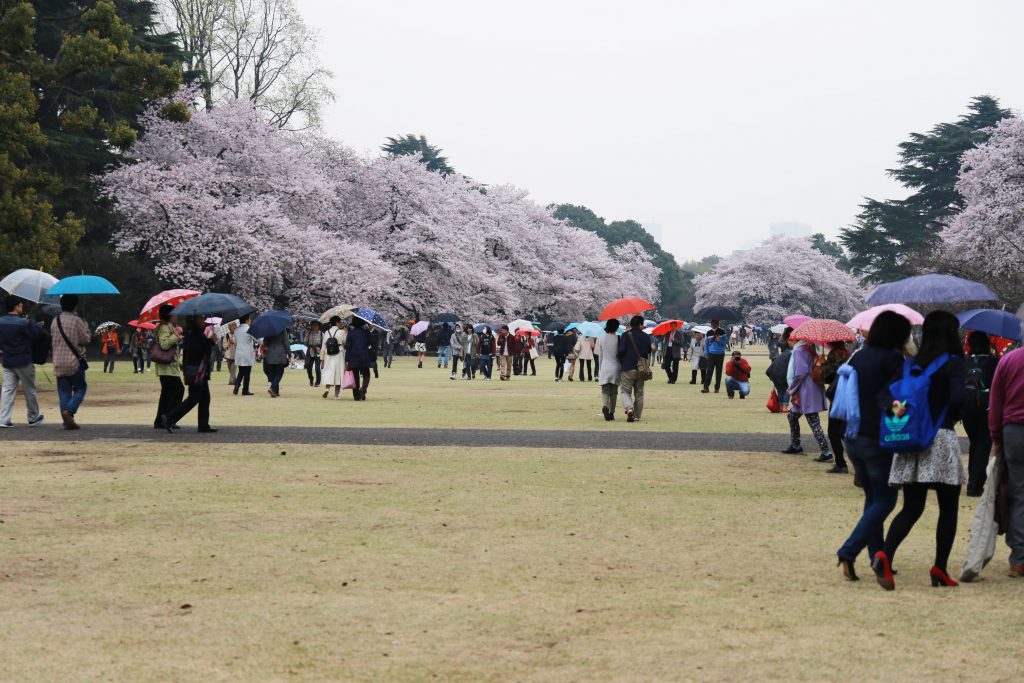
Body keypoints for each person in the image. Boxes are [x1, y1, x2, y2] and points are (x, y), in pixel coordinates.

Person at [872, 311, 967, 590]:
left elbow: (883, 396)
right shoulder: (952, 363)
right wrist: (952, 413)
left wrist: (899, 408)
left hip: (911, 439)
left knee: (912, 507)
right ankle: (940, 568)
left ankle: (884, 554)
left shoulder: (910, 364)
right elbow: (958, 397)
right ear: (951, 333)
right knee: (948, 508)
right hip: (940, 438)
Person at [835, 311, 911, 581]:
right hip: (879, 438)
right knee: (886, 500)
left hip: (853, 437)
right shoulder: (894, 360)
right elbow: (896, 400)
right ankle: (849, 549)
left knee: (873, 499)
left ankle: (877, 557)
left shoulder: (858, 356)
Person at [989, 345, 1024, 577]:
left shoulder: (1008, 360)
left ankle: (1019, 558)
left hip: (1014, 431)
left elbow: (996, 403)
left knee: (1018, 492)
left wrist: (996, 438)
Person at [160, 315, 217, 433]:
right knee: (194, 398)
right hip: (197, 370)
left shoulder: (192, 332)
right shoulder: (195, 333)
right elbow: (200, 350)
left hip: (196, 370)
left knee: (205, 397)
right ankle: (169, 418)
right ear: (195, 319)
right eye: (201, 317)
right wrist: (211, 341)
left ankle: (203, 425)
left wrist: (209, 341)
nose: (203, 319)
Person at [784, 334, 833, 462]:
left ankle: (826, 451)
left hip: (805, 389)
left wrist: (792, 388)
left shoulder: (799, 350)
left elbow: (800, 373)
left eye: (788, 339)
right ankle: (795, 445)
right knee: (792, 416)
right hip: (812, 387)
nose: (788, 342)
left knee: (813, 421)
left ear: (794, 339)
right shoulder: (810, 347)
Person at [962, 331, 998, 496]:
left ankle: (972, 480)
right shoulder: (993, 362)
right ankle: (975, 486)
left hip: (967, 408)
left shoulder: (966, 362)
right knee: (983, 446)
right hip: (986, 408)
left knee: (974, 444)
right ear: (987, 344)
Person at [0, 296, 45, 429]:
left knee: (7, 390)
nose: (22, 306)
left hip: (7, 360)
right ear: (16, 306)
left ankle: (4, 419)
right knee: (29, 390)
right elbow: (37, 335)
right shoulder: (24, 323)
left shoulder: (1, 322)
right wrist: (30, 322)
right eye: (21, 304)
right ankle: (33, 417)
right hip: (24, 360)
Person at [51, 294, 89, 429]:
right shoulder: (77, 321)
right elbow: (85, 340)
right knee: (80, 388)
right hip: (74, 362)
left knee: (64, 392)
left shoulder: (55, 321)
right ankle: (70, 411)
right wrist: (86, 327)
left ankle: (67, 421)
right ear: (75, 305)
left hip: (58, 362)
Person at [152, 304, 184, 430]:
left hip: (167, 367)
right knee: (178, 390)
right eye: (175, 314)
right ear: (170, 316)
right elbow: (165, 345)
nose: (177, 316)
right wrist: (176, 334)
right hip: (168, 368)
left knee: (166, 394)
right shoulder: (165, 328)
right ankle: (169, 418)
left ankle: (161, 420)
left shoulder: (166, 327)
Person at [617, 315, 653, 423]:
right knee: (639, 392)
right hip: (641, 368)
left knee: (625, 391)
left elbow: (621, 351)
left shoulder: (625, 335)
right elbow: (648, 351)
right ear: (641, 324)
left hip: (628, 367)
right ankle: (637, 415)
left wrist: (622, 360)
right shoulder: (646, 336)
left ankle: (629, 409)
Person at [595, 319, 621, 420]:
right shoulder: (619, 338)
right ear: (617, 327)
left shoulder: (601, 338)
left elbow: (600, 356)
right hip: (616, 367)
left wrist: (600, 369)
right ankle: (612, 412)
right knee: (614, 392)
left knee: (605, 390)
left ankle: (605, 405)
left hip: (605, 366)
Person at [320, 316, 347, 399]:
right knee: (338, 373)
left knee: (329, 371)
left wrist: (322, 359)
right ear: (337, 323)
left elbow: (323, 346)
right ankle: (336, 395)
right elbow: (345, 343)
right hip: (339, 354)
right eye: (339, 322)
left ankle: (327, 389)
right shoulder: (341, 332)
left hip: (328, 354)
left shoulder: (327, 332)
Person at [345, 317, 372, 400]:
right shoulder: (366, 332)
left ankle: (356, 396)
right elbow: (369, 343)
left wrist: (346, 360)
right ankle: (363, 390)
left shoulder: (350, 334)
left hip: (353, 356)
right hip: (364, 355)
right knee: (366, 374)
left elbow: (348, 347)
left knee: (355, 376)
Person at [701, 320, 728, 393]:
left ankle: (717, 388)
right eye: (712, 323)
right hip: (711, 354)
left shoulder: (722, 332)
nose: (714, 325)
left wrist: (719, 340)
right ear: (711, 324)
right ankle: (706, 387)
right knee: (709, 371)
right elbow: (706, 344)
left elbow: (725, 342)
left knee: (718, 371)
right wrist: (706, 353)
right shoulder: (708, 333)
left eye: (715, 324)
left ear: (718, 324)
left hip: (720, 353)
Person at [233, 314, 256, 396]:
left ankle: (237, 385)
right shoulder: (249, 329)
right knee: (247, 373)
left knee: (241, 371)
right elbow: (258, 339)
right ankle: (245, 390)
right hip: (247, 353)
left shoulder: (236, 330)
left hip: (239, 353)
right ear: (247, 320)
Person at [262, 329, 289, 398]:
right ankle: (273, 387)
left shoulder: (268, 330)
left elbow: (265, 342)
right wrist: (289, 353)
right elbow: (286, 342)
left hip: (270, 354)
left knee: (273, 373)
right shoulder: (282, 329)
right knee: (280, 372)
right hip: (280, 354)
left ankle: (276, 392)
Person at [303, 321, 323, 387]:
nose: (314, 327)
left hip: (318, 352)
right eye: (313, 325)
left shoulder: (321, 334)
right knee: (308, 368)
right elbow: (305, 342)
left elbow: (324, 344)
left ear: (319, 326)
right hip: (310, 352)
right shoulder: (309, 333)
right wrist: (306, 336)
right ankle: (311, 379)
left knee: (317, 368)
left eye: (316, 325)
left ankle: (317, 382)